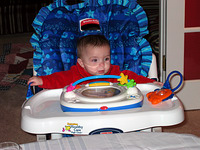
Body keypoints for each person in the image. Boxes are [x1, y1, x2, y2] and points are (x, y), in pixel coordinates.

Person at [28, 35, 162, 89]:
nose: (102, 65)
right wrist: (42, 80)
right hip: (84, 113)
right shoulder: (75, 75)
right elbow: (58, 79)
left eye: (106, 59)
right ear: (81, 63)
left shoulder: (115, 74)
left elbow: (133, 78)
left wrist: (151, 82)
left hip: (112, 110)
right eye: (94, 60)